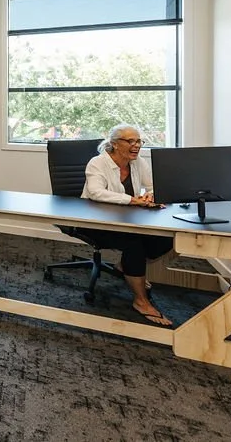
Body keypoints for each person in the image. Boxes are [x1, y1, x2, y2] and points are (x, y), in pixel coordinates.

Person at [79, 124, 174, 327]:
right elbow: (96, 192)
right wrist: (133, 201)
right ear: (114, 144)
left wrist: (151, 195)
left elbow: (153, 185)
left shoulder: (137, 162)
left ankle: (127, 266)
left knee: (166, 236)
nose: (136, 145)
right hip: (94, 220)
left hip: (126, 218)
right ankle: (141, 301)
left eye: (139, 141)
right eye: (130, 141)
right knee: (134, 243)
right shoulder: (97, 163)